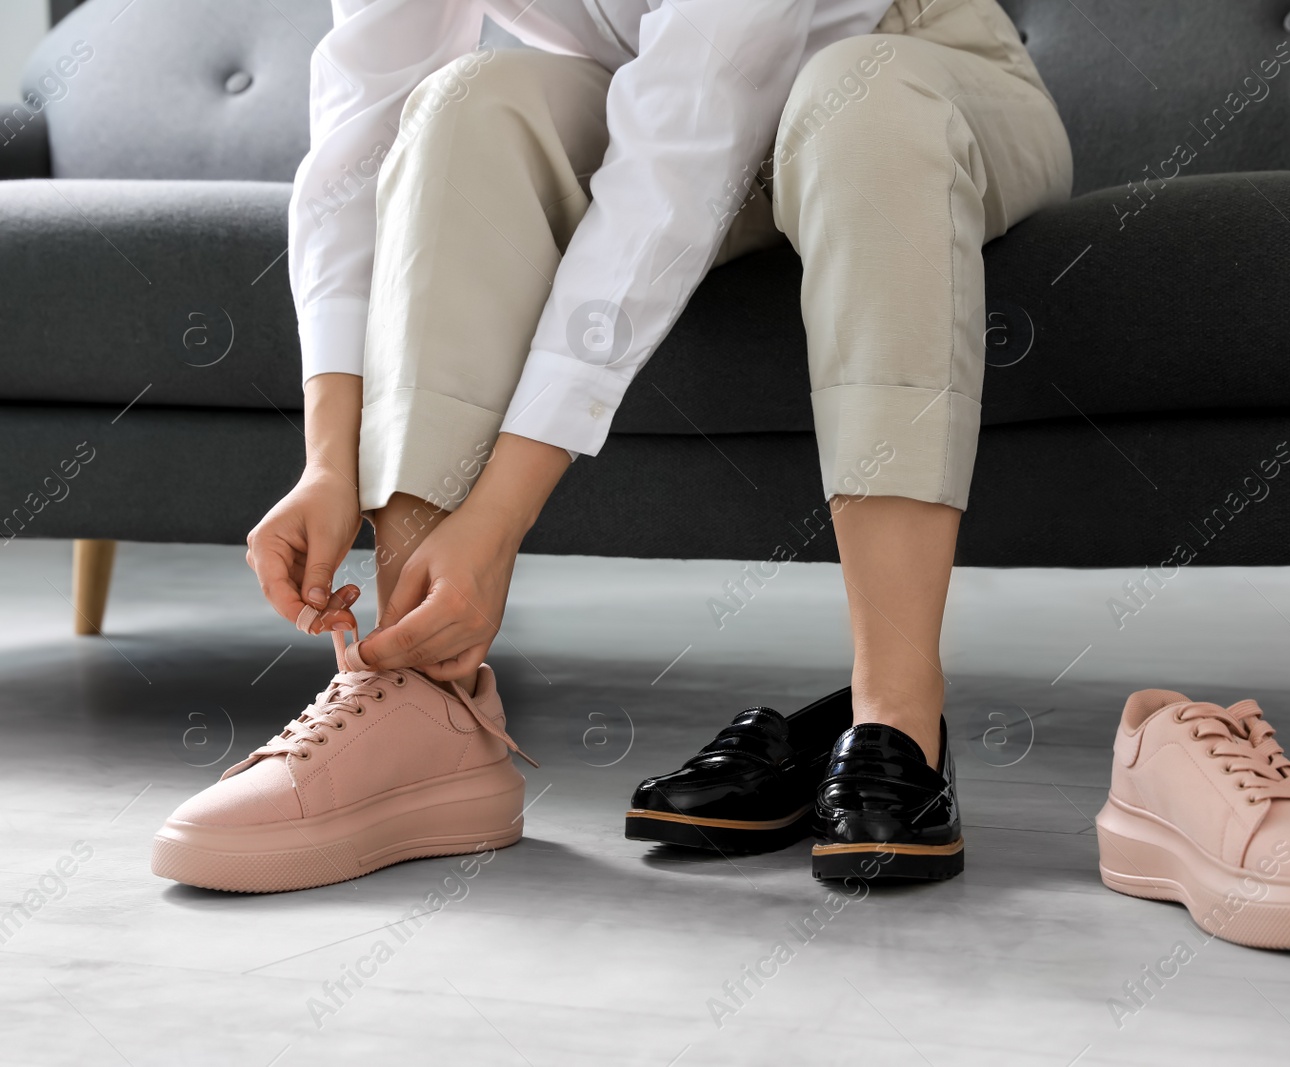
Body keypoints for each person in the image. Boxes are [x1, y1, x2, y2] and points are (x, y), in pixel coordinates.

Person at [149, 0, 1073, 893]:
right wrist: (327, 462)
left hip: (909, 63)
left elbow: (669, 180)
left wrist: (498, 518)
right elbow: (362, 128)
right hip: (657, 89)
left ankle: (897, 718)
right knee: (466, 107)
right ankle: (424, 692)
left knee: (863, 99)